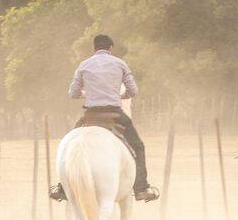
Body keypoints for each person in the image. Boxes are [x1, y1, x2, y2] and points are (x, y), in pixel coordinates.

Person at [49, 34, 159, 202]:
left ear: (94, 49)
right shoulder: (120, 64)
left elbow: (73, 93)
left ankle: (62, 188)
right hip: (114, 114)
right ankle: (141, 188)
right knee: (138, 147)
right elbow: (133, 90)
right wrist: (123, 94)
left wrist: (86, 93)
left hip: (90, 115)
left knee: (70, 146)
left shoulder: (84, 65)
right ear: (111, 48)